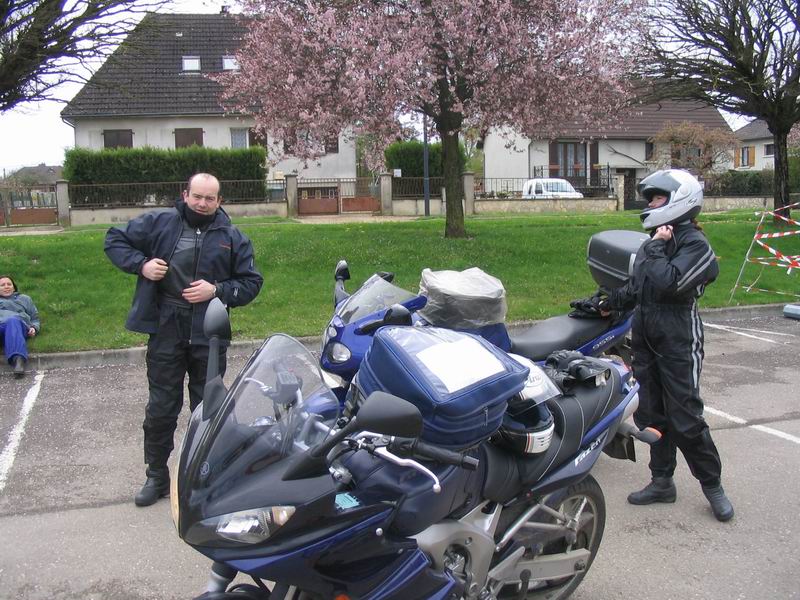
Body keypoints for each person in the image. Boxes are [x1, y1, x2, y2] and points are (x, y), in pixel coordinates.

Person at [577, 169, 734, 522]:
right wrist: (605, 304)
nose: (650, 204)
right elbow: (638, 288)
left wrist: (654, 248)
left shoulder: (695, 245)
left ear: (680, 199)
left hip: (679, 338)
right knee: (652, 414)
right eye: (650, 198)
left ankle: (713, 486)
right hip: (646, 335)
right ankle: (662, 481)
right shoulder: (657, 241)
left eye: (657, 198)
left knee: (686, 418)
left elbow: (669, 283)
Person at [105, 173, 263, 507]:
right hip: (167, 327)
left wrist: (216, 290)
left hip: (210, 331)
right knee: (161, 408)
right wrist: (142, 265)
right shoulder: (159, 223)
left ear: (219, 201)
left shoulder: (232, 236)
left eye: (210, 198)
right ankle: (156, 476)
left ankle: (208, 476)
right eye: (198, 196)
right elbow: (114, 239)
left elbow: (251, 283)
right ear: (185, 194)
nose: (203, 203)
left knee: (209, 409)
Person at [0, 275, 40, 379]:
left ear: (14, 287)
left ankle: (18, 360)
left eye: (9, 284)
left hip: (17, 326)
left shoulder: (24, 299)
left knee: (12, 320)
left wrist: (34, 328)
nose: (6, 286)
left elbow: (35, 318)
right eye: (2, 285)